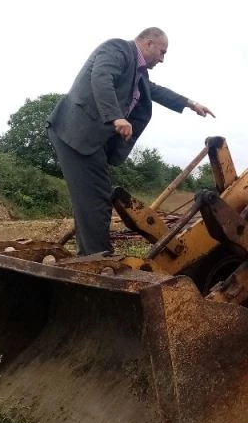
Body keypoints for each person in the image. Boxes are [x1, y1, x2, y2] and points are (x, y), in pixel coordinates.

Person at [46, 27, 215, 255]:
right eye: (162, 52)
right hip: (76, 133)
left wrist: (190, 103)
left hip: (87, 139)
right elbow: (102, 77)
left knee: (92, 197)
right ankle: (96, 257)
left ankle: (90, 255)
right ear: (148, 43)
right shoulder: (117, 49)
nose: (162, 59)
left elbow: (154, 90)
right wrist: (115, 116)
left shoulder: (139, 73)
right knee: (96, 199)